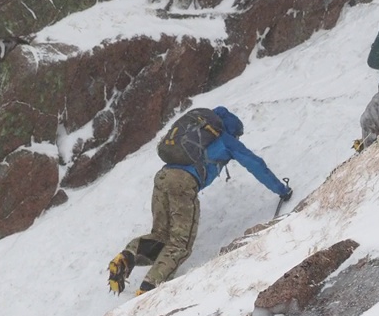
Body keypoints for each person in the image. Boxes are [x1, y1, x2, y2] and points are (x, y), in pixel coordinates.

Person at [108, 106, 290, 296]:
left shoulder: (195, 131)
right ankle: (148, 290)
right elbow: (256, 165)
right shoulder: (226, 140)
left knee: (161, 236)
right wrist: (282, 189)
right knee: (180, 245)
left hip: (162, 177)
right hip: (183, 183)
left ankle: (127, 256)